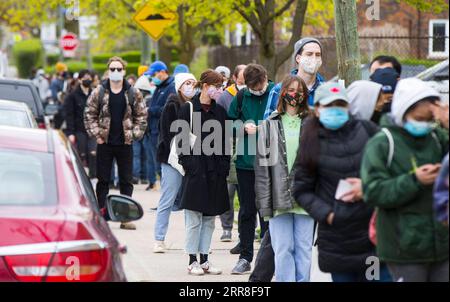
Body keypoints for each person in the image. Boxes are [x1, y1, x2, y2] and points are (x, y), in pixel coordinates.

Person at [292, 82, 383, 282]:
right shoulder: (310, 141)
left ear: (348, 107)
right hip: (337, 241)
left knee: (375, 277)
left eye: (340, 104)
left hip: (372, 237)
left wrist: (367, 188)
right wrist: (329, 214)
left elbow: (388, 169)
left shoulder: (368, 130)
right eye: (329, 105)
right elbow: (301, 190)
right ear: (317, 110)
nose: (335, 110)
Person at [361, 78, 449, 282]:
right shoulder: (383, 143)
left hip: (442, 245)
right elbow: (373, 191)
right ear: (407, 109)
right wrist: (414, 180)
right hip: (404, 248)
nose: (430, 116)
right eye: (426, 109)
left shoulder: (437, 137)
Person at [255, 75, 313, 282]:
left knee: (304, 249)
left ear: (305, 95)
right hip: (278, 197)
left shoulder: (313, 124)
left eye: (299, 90)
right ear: (282, 94)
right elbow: (262, 168)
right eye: (290, 90)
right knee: (283, 249)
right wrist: (264, 202)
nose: (294, 94)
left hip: (306, 198)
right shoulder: (269, 124)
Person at [84, 56, 148, 230]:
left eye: (119, 69)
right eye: (112, 69)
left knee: (126, 181)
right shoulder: (99, 91)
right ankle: (102, 216)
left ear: (124, 71)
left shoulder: (133, 92)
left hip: (125, 144)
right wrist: (96, 134)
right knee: (103, 180)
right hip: (104, 143)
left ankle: (125, 217)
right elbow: (89, 114)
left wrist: (134, 135)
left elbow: (141, 116)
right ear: (108, 71)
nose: (116, 72)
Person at [177, 69, 230, 275]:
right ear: (206, 86)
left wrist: (224, 166)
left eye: (222, 87)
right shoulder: (188, 109)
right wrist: (190, 166)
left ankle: (205, 258)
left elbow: (225, 142)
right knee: (194, 218)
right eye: (217, 87)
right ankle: (192, 260)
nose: (220, 91)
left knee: (209, 219)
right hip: (196, 170)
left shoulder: (220, 112)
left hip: (215, 171)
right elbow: (181, 142)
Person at [228, 64, 274, 275]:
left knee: (268, 211)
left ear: (266, 78)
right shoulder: (241, 97)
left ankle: (268, 260)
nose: (257, 90)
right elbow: (229, 123)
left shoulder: (276, 92)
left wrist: (268, 126)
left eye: (260, 85)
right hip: (246, 163)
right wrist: (242, 127)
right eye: (252, 87)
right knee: (247, 210)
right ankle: (245, 256)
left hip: (270, 162)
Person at [153, 72, 197, 253]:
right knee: (168, 199)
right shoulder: (171, 105)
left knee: (191, 202)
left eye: (194, 83)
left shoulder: (196, 106)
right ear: (179, 86)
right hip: (171, 159)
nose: (191, 87)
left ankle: (193, 242)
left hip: (192, 159)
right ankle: (158, 239)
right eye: (187, 83)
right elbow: (167, 133)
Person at [216, 64, 246, 242]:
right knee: (228, 191)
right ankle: (226, 228)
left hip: (247, 145)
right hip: (228, 144)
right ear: (234, 78)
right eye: (242, 79)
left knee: (246, 193)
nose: (245, 82)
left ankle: (245, 230)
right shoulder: (225, 96)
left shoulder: (253, 95)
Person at [264, 37, 324, 119]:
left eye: (318, 55)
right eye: (309, 54)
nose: (314, 58)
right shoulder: (279, 90)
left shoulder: (326, 90)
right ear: (298, 58)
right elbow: (268, 127)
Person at [144, 61, 176, 187]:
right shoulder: (159, 87)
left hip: (161, 133)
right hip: (153, 131)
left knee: (164, 169)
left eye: (154, 74)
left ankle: (171, 202)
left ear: (163, 72)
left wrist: (150, 110)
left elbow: (168, 109)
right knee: (158, 168)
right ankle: (165, 203)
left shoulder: (171, 87)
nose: (152, 77)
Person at [64, 69, 96, 178]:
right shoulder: (73, 96)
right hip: (79, 130)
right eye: (85, 78)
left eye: (89, 78)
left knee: (93, 153)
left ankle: (93, 177)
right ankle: (81, 177)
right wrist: (70, 133)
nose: (87, 80)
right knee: (81, 154)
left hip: (93, 130)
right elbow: (70, 115)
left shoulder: (95, 94)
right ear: (79, 79)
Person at [132, 75, 154, 185]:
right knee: (145, 155)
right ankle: (144, 177)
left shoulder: (135, 98)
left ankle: (136, 176)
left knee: (137, 154)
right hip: (146, 130)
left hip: (136, 129)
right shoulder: (151, 98)